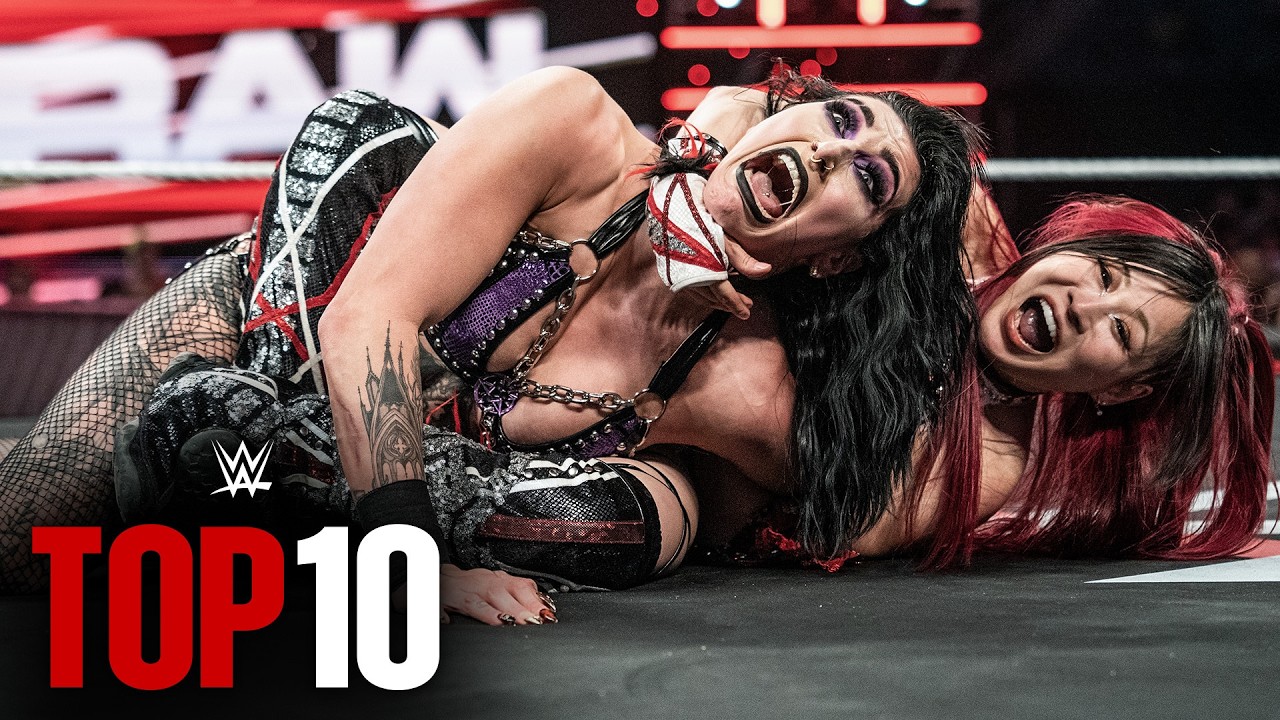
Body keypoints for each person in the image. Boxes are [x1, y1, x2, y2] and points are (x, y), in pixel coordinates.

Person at [0, 65, 984, 627]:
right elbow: (368, 321)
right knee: (23, 546)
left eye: (869, 178)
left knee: (174, 536)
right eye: (840, 120)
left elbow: (930, 487)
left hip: (326, 481)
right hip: (274, 328)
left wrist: (1017, 313)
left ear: (840, 257)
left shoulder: (745, 381)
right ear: (791, 108)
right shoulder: (578, 133)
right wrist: (408, 569)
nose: (832, 151)